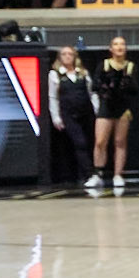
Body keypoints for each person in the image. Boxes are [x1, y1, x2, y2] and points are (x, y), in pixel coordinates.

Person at [87, 36, 139, 191]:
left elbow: (135, 89)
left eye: (122, 44)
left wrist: (126, 84)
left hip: (123, 107)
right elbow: (95, 85)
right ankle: (98, 173)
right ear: (111, 49)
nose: (119, 47)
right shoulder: (103, 65)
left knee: (120, 142)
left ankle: (118, 174)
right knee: (100, 141)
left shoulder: (130, 66)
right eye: (116, 44)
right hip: (106, 106)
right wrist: (106, 86)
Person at [49, 44, 95, 184]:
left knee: (88, 143)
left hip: (85, 113)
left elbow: (92, 93)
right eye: (64, 54)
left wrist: (96, 110)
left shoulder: (83, 73)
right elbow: (53, 97)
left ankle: (87, 174)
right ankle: (89, 174)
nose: (67, 56)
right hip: (67, 114)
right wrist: (56, 117)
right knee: (79, 142)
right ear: (59, 57)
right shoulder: (55, 74)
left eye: (70, 54)